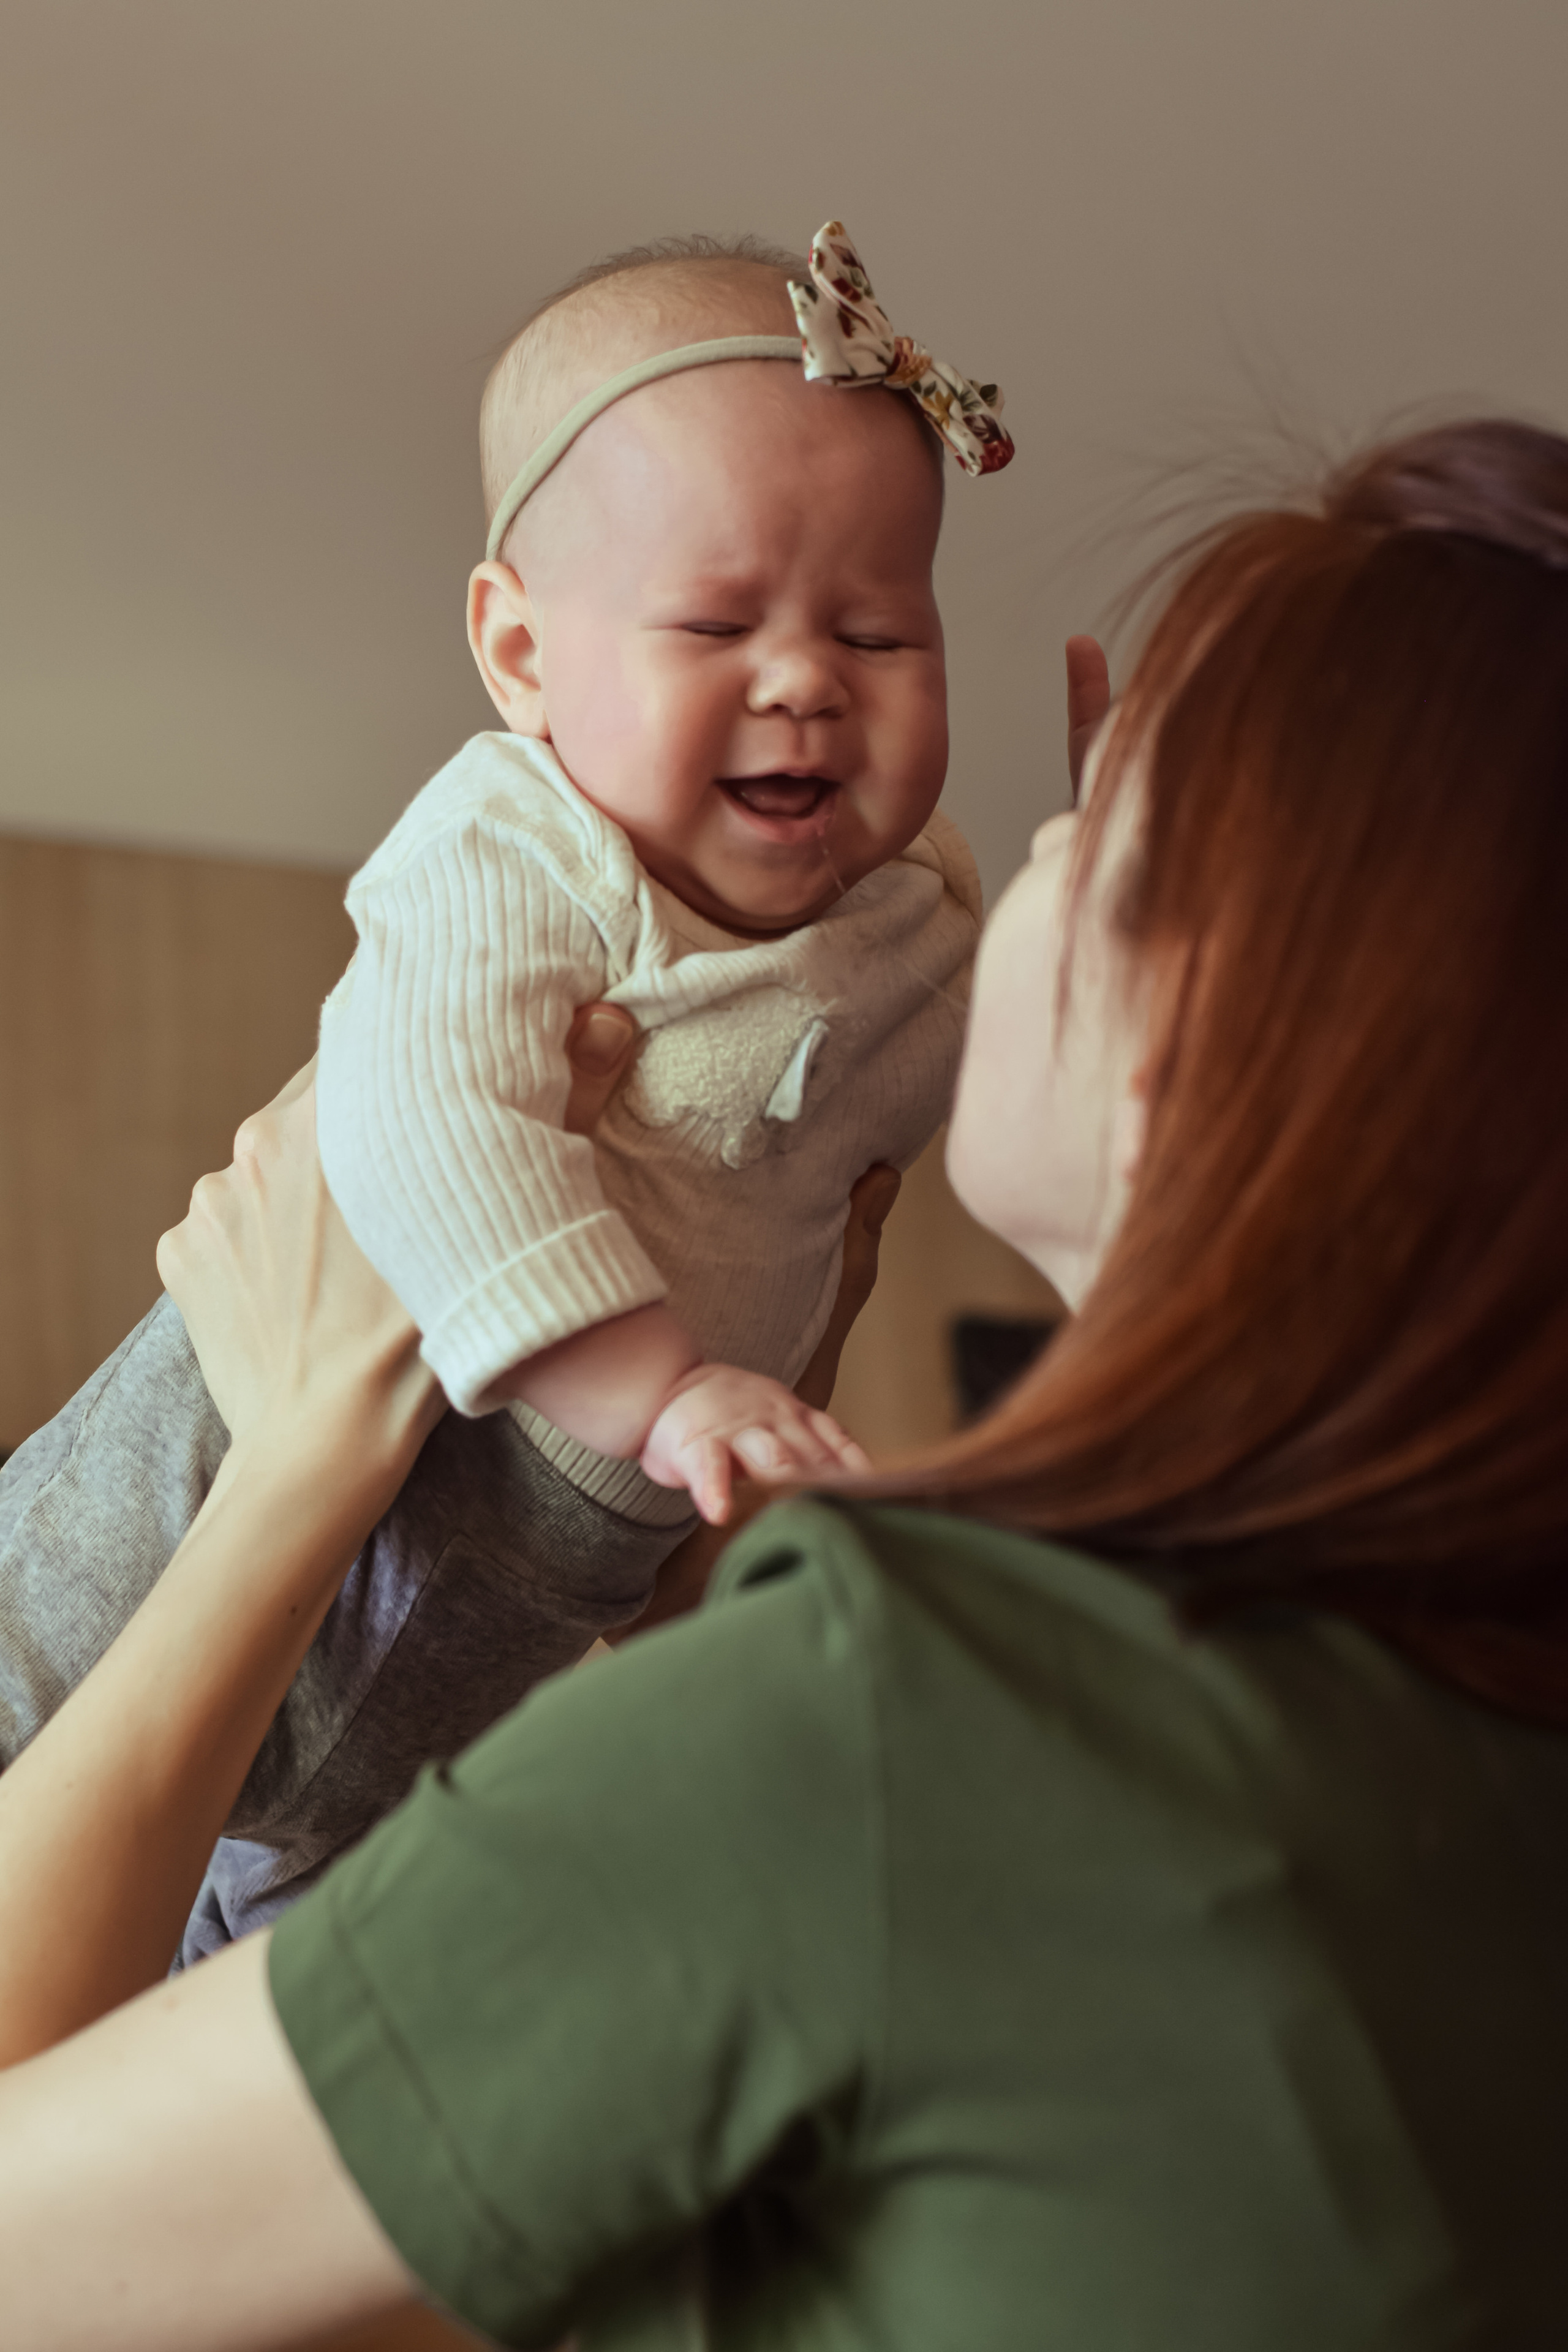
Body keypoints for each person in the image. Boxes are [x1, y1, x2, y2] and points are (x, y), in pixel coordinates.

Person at [7, 415, 1568, 2351]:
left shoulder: (915, 1723)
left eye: (1112, 823)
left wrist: (306, 1460)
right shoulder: (1466, 1789)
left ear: (1206, 1043)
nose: (1028, 853)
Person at [0, 222, 1006, 1959]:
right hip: (181, 1532)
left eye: (881, 631)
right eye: (716, 620)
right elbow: (426, 1123)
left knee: (314, 1980)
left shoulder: (916, 919)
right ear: (524, 656)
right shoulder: (517, 848)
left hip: (482, 1663)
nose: (807, 682)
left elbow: (1034, 1072)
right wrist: (672, 1388)